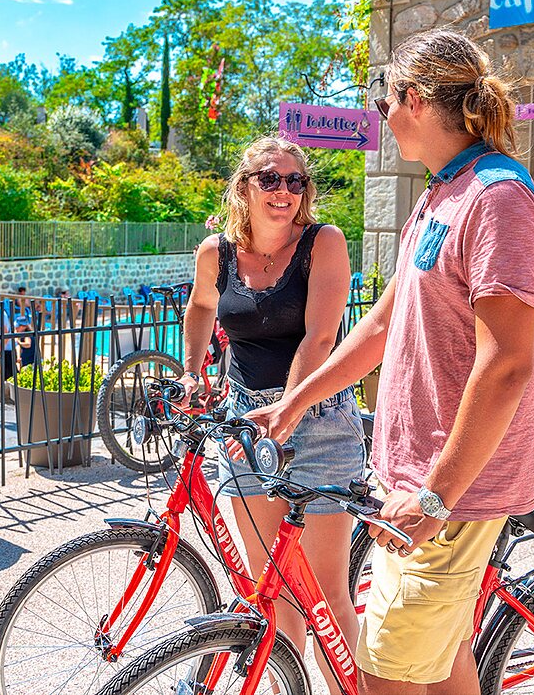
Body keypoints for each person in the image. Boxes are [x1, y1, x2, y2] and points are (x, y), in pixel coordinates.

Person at [245, 28, 534, 695]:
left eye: (383, 104)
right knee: (443, 665)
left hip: (452, 494)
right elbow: (383, 323)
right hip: (414, 486)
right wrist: (297, 399)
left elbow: (506, 364)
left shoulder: (498, 198)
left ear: (411, 99)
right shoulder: (440, 193)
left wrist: (438, 495)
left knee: (381, 678)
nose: (381, 120)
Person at [177, 136, 362, 694]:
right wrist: (193, 371)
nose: (284, 191)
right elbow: (203, 305)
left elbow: (321, 334)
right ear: (245, 186)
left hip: (318, 417)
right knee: (272, 587)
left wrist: (289, 406)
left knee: (325, 593)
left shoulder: (323, 243)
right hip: (243, 420)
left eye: (295, 181)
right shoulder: (216, 252)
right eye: (270, 179)